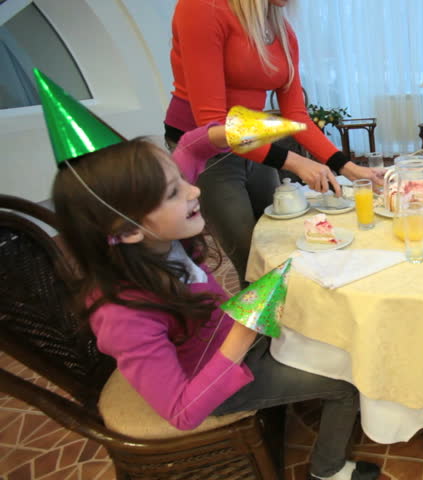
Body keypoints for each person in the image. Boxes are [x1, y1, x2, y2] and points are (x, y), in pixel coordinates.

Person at [51, 124, 381, 480]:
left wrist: (243, 129)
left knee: (333, 336)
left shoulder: (154, 239)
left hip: (237, 340)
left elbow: (193, 148)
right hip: (221, 382)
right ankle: (328, 469)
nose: (194, 190)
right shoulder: (122, 315)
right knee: (345, 385)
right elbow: (183, 411)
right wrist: (244, 329)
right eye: (173, 192)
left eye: (182, 180)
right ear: (128, 229)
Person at [165, 0, 382, 286]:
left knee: (278, 242)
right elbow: (214, 126)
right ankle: (259, 316)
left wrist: (348, 167)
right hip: (207, 152)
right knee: (252, 261)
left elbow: (297, 115)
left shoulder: (282, 32)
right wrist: (294, 161)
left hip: (255, 144)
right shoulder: (202, 7)